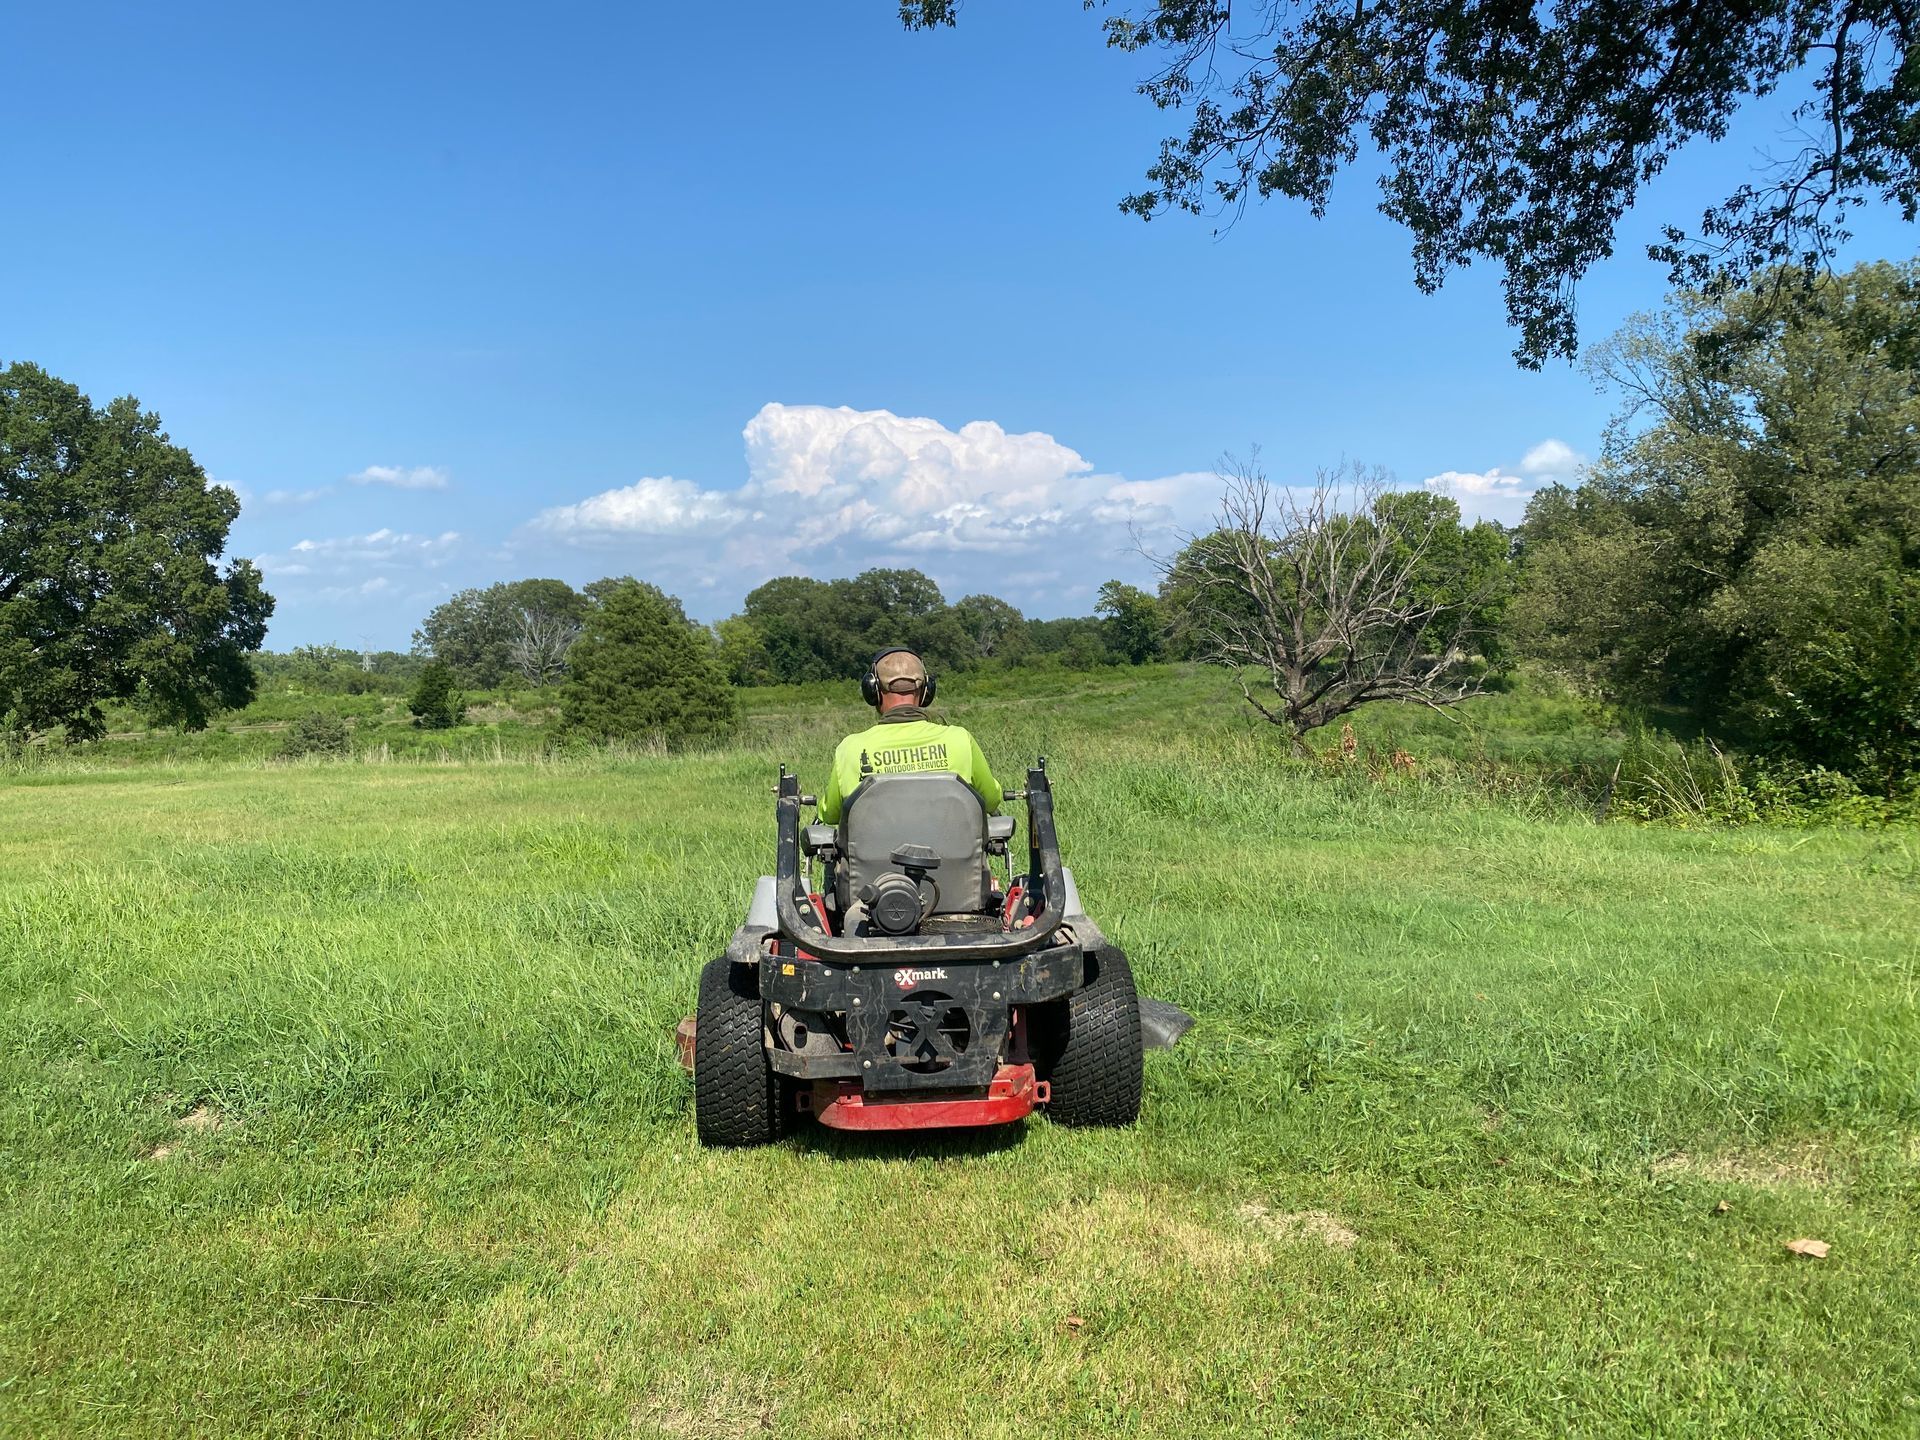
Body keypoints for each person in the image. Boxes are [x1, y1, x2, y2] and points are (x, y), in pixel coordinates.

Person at [817, 647, 1003, 825]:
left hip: (874, 859)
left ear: (872, 691)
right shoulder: (960, 740)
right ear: (926, 692)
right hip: (954, 859)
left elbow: (830, 814)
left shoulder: (850, 749)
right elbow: (992, 801)